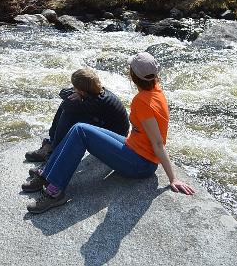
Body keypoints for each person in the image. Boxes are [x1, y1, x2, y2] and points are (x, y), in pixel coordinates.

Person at [23, 52, 195, 213]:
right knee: (78, 128)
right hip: (132, 147)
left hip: (140, 164)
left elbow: (158, 142)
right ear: (155, 75)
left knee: (81, 130)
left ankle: (54, 192)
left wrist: (173, 178)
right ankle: (48, 174)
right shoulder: (156, 91)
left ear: (132, 76)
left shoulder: (143, 102)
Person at [25, 67, 129, 162]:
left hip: (115, 139)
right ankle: (51, 144)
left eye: (75, 88)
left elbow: (66, 105)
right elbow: (62, 92)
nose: (73, 89)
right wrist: (77, 94)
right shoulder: (94, 91)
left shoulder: (98, 101)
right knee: (69, 105)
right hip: (105, 125)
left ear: (82, 91)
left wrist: (76, 96)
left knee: (69, 112)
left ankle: (54, 153)